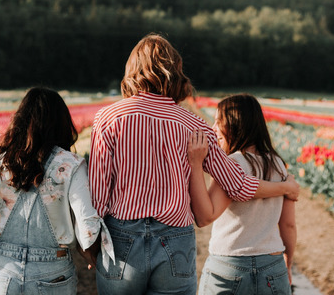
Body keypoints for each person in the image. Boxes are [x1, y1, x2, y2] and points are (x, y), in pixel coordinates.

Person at [87, 33, 299, 295]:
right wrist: (284, 188)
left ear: (133, 70)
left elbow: (97, 195)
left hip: (122, 240)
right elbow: (238, 186)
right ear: (175, 71)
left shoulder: (108, 118)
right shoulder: (194, 125)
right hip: (175, 240)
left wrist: (91, 247)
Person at [0, 87, 114, 294]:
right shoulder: (71, 165)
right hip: (54, 275)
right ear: (62, 123)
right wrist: (91, 254)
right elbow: (88, 228)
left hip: (4, 277)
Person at [188, 94, 296, 295]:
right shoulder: (279, 165)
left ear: (234, 125)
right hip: (272, 265)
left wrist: (195, 164)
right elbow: (288, 224)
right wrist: (287, 264)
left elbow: (205, 216)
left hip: (229, 265)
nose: (213, 129)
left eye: (218, 122)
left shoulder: (232, 164)